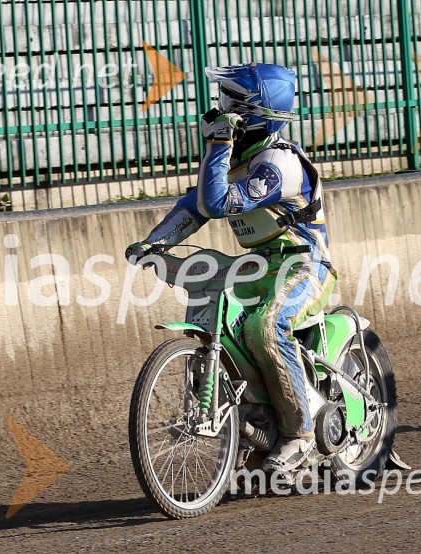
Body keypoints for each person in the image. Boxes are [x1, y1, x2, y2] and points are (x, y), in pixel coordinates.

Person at [125, 63, 337, 472]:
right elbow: (198, 205)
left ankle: (299, 435)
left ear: (255, 112)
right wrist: (156, 242)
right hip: (257, 266)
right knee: (206, 294)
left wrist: (218, 145)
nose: (221, 109)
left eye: (230, 103)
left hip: (303, 266)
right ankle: (250, 419)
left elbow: (221, 204)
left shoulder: (280, 163)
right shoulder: (238, 156)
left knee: (265, 326)